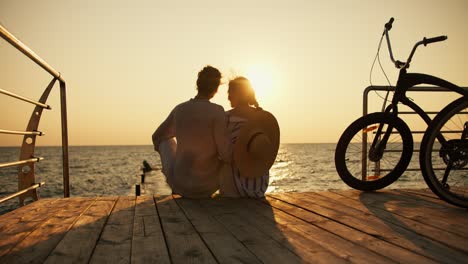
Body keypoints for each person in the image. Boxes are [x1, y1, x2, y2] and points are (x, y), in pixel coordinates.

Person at [152, 66, 232, 197]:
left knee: (166, 140)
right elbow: (225, 153)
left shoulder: (180, 109)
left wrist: (175, 156)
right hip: (208, 186)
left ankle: (177, 171)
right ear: (216, 89)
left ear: (198, 84)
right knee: (227, 155)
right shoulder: (217, 111)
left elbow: (157, 136)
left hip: (181, 183)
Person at [220, 77, 280, 198]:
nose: (228, 97)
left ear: (237, 94)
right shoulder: (262, 118)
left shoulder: (226, 118)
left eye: (229, 93)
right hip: (259, 186)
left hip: (233, 188)